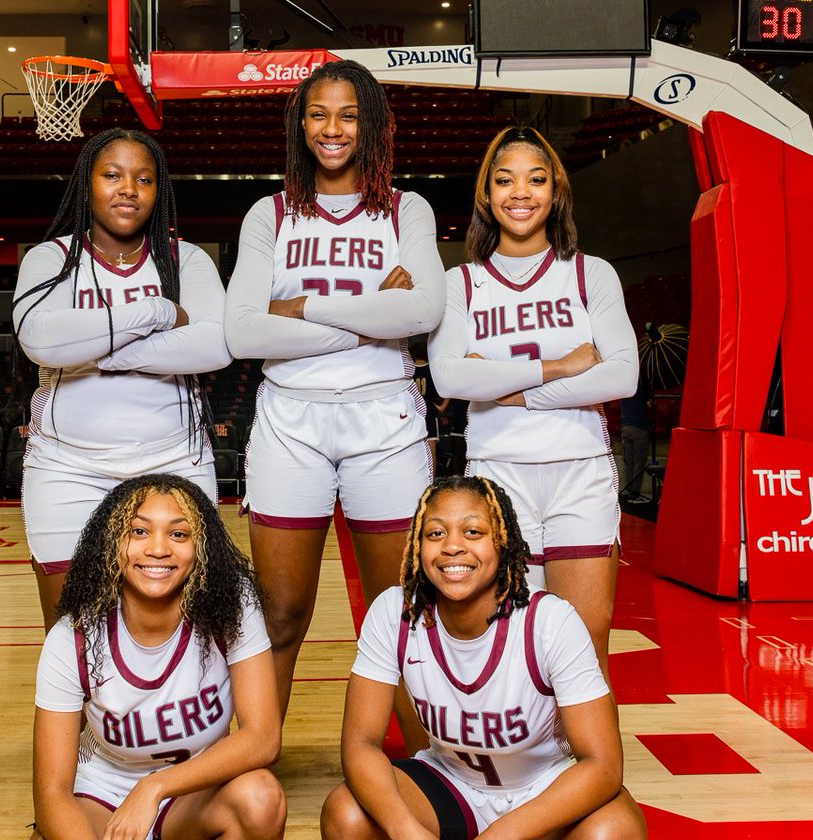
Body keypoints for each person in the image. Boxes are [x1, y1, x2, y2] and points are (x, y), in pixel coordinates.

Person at [320, 476, 647, 840]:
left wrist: (503, 838)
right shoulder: (395, 613)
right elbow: (359, 743)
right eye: (435, 533)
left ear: (504, 543)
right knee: (347, 818)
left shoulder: (549, 621)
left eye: (473, 531)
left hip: (544, 783)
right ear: (415, 546)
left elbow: (604, 765)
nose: (452, 547)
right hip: (454, 781)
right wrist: (405, 833)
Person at [225, 60, 446, 736]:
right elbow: (240, 329)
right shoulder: (269, 213)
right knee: (282, 614)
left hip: (386, 422)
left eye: (348, 114)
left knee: (397, 612)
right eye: (319, 113)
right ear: (300, 124)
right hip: (291, 423)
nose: (332, 128)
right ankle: (248, 770)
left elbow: (428, 310)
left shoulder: (408, 208)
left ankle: (427, 772)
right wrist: (372, 311)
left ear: (371, 124)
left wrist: (295, 309)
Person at [18, 473, 285, 840]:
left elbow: (262, 738)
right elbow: (50, 793)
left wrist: (156, 787)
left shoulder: (231, 613)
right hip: (103, 804)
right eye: (139, 532)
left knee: (260, 798)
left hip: (188, 798)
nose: (158, 549)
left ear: (201, 546)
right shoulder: (73, 636)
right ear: (111, 544)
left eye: (179, 534)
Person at [428, 126, 639, 679]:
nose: (520, 192)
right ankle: (520, 764)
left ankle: (591, 766)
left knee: (585, 644)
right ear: (486, 194)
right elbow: (449, 377)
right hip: (498, 477)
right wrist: (563, 368)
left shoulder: (591, 274)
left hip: (580, 471)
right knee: (505, 637)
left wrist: (509, 388)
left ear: (556, 192)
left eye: (536, 179)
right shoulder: (461, 284)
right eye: (505, 180)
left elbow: (623, 375)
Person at [13, 127, 230, 629]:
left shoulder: (186, 259)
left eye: (143, 178)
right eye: (112, 175)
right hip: (66, 468)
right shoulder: (51, 259)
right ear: (87, 183)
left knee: (184, 628)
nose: (127, 188)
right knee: (70, 633)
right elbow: (41, 342)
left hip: (175, 461)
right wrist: (155, 311)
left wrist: (91, 353)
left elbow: (215, 345)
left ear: (159, 191)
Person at [619, 371, 652, 506]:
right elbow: (650, 404)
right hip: (639, 427)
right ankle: (635, 493)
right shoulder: (643, 386)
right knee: (639, 462)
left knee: (629, 462)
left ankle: (628, 490)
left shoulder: (625, 386)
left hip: (625, 427)